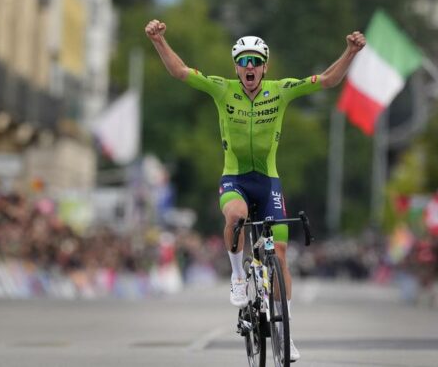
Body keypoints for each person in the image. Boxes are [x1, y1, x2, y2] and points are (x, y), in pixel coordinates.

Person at [145, 19, 366, 362]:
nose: (249, 67)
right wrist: (159, 40)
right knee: (236, 216)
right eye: (243, 61)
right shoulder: (222, 89)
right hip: (234, 177)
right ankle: (236, 276)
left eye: (256, 61)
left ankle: (285, 332)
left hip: (268, 181)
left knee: (279, 253)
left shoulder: (281, 89)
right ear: (236, 67)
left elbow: (326, 80)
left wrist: (350, 52)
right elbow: (180, 72)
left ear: (265, 66)